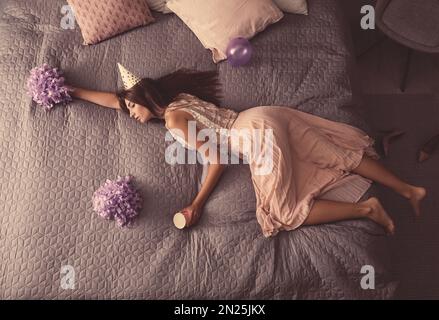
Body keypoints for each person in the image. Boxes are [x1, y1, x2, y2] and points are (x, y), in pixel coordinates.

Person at [68, 64, 426, 238]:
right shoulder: (175, 100)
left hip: (255, 138)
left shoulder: (175, 120)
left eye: (132, 108)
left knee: (282, 213)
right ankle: (409, 189)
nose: (130, 114)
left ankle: (367, 208)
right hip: (264, 116)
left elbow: (218, 159)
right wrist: (74, 90)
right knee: (338, 155)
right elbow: (115, 100)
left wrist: (197, 202)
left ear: (144, 98)